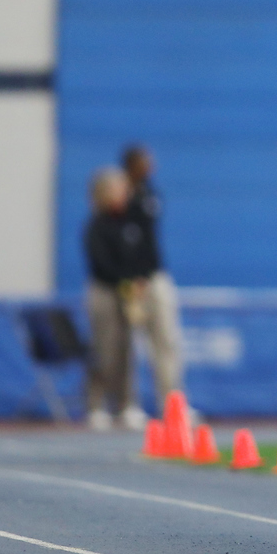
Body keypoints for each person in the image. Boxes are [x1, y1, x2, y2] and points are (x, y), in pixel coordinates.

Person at [121, 144, 186, 423]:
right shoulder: (122, 196)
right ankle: (128, 405)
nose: (151, 162)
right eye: (145, 159)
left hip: (155, 275)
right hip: (131, 280)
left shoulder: (149, 193)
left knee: (168, 341)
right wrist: (132, 277)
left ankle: (172, 405)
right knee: (132, 345)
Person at [83, 167, 144, 431]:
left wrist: (138, 279)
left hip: (127, 292)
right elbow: (101, 264)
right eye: (119, 189)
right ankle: (96, 405)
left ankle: (126, 405)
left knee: (127, 349)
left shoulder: (130, 222)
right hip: (105, 292)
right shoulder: (96, 225)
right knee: (104, 349)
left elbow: (139, 256)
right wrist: (125, 280)